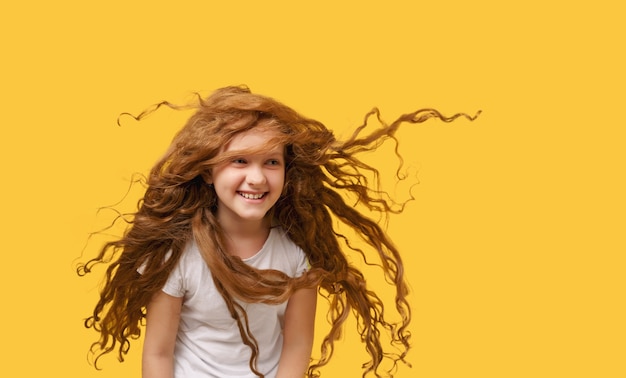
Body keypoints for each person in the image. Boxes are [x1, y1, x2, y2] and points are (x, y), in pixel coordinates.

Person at [78, 86, 478, 377]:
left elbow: (297, 346)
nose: (257, 177)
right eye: (239, 160)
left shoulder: (297, 255)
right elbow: (159, 355)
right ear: (206, 169)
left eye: (271, 162)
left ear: (288, 171)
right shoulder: (177, 255)